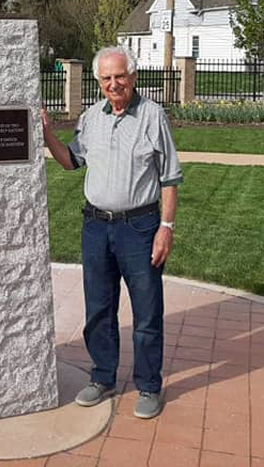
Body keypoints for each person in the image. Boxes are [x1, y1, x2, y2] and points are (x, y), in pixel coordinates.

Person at [42, 45, 182, 419]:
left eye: (120, 76)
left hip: (140, 227)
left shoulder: (153, 116)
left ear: (133, 76)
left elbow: (169, 178)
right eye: (106, 78)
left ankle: (149, 385)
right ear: (99, 81)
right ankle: (102, 376)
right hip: (96, 226)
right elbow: (72, 161)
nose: (114, 84)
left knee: (147, 312)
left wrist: (165, 228)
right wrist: (47, 136)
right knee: (99, 308)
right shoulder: (91, 118)